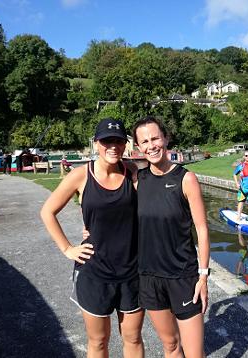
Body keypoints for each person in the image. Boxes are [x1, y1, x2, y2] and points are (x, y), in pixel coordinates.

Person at [40, 118, 144, 358]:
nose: (114, 146)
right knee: (98, 341)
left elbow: (150, 210)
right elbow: (47, 211)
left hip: (132, 271)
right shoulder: (80, 176)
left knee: (133, 338)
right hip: (94, 273)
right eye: (107, 141)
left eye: (119, 141)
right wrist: (67, 248)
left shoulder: (133, 173)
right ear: (96, 143)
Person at [134, 116, 210, 358]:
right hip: (150, 278)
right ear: (138, 148)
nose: (151, 145)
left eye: (155, 138)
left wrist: (203, 276)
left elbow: (202, 230)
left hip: (183, 277)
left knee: (194, 354)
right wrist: (89, 228)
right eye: (144, 141)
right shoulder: (138, 180)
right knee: (170, 347)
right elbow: (105, 198)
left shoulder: (185, 179)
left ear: (166, 139)